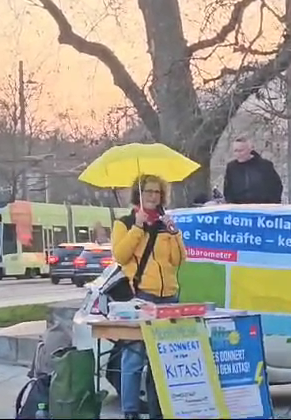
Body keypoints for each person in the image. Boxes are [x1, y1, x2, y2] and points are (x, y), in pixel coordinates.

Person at [111, 175, 187, 420]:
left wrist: (174, 233)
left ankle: (158, 409)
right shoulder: (124, 223)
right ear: (138, 195)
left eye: (156, 192)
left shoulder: (165, 224)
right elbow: (120, 256)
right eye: (147, 192)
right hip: (142, 296)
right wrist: (137, 227)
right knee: (134, 357)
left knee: (162, 360)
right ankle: (131, 410)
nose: (153, 196)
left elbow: (179, 260)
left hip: (169, 297)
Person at [222, 136, 283, 204]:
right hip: (239, 208)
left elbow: (276, 187)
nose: (238, 154)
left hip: (263, 207)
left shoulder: (265, 166)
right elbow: (228, 190)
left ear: (250, 149)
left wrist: (272, 205)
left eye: (241, 150)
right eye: (236, 151)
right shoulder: (231, 167)